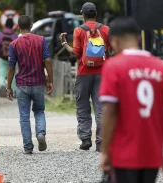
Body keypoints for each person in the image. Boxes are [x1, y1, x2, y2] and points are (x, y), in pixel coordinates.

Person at [99, 17, 163, 183]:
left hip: (123, 153)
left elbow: (110, 111)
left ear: (114, 41)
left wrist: (105, 151)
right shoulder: (161, 68)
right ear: (139, 38)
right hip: (152, 153)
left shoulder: (114, 67)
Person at [59, 2, 111, 152]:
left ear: (83, 15)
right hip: (102, 74)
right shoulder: (106, 29)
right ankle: (101, 142)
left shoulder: (79, 31)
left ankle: (86, 138)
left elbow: (75, 53)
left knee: (82, 106)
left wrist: (64, 43)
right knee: (100, 107)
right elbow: (113, 49)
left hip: (83, 73)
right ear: (96, 14)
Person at [7, 15, 53, 154]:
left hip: (22, 85)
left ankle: (28, 146)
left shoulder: (13, 44)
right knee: (39, 111)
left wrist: (9, 86)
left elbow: (11, 67)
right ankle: (40, 134)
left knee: (24, 116)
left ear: (18, 27)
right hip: (38, 82)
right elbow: (48, 61)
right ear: (31, 25)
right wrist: (50, 80)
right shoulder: (41, 40)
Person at [0, 18, 18, 97]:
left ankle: (2, 85)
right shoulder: (14, 35)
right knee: (12, 75)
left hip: (2, 58)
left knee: (2, 74)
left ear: (5, 25)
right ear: (12, 26)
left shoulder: (0, 34)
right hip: (12, 59)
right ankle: (13, 91)